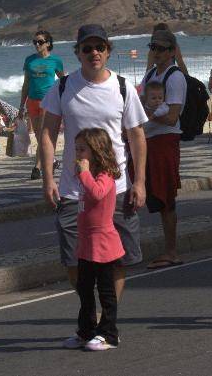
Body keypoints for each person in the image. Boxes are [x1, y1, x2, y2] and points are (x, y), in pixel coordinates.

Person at [39, 24, 147, 349]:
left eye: (99, 47)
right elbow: (46, 134)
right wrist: (47, 178)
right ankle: (94, 319)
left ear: (108, 50)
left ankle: (104, 325)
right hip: (74, 192)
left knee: (117, 260)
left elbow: (137, 136)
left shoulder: (124, 88)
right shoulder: (62, 88)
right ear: (78, 53)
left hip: (117, 189)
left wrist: (140, 181)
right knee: (74, 261)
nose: (94, 53)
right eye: (87, 48)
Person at [73, 128, 125, 351]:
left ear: (96, 151)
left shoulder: (105, 175)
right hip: (86, 243)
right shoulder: (89, 175)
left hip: (103, 244)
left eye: (82, 150)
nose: (78, 154)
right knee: (84, 290)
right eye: (76, 149)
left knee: (106, 292)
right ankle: (86, 331)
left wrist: (84, 174)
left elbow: (96, 193)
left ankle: (109, 334)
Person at [141, 29, 187, 269]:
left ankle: (171, 251)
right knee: (153, 194)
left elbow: (171, 117)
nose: (155, 52)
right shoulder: (151, 74)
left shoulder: (175, 78)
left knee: (166, 195)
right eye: (152, 47)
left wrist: (147, 114)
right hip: (149, 140)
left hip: (165, 141)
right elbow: (140, 101)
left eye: (160, 48)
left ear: (171, 51)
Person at [19, 30, 65, 179]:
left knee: (43, 134)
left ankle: (37, 168)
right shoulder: (29, 60)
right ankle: (52, 160)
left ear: (48, 44)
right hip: (31, 101)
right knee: (39, 136)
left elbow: (63, 81)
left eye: (40, 42)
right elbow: (26, 83)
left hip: (48, 101)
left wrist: (63, 100)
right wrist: (21, 105)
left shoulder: (55, 61)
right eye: (35, 42)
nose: (37, 45)